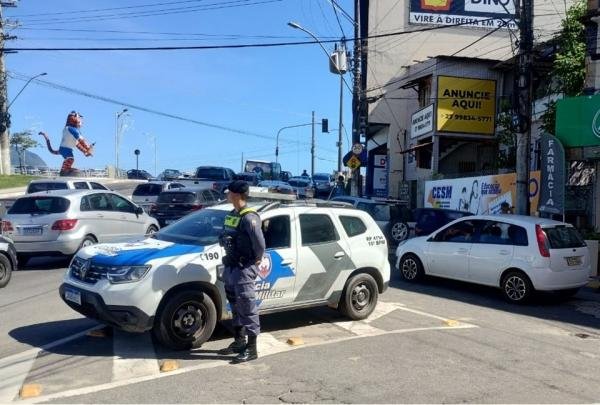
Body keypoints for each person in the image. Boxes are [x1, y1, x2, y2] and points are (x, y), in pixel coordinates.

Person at [218, 180, 265, 363]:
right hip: (231, 267)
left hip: (243, 268)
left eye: (229, 193)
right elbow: (225, 233)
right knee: (235, 305)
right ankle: (239, 341)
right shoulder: (232, 214)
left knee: (247, 307)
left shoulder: (249, 217)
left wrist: (257, 258)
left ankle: (252, 349)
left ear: (237, 195)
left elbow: (259, 244)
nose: (227, 195)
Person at [39, 111, 93, 176]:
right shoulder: (71, 129)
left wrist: (85, 151)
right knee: (70, 158)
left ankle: (67, 169)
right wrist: (88, 148)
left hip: (67, 149)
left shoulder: (70, 129)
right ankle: (64, 170)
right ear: (74, 118)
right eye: (79, 118)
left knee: (70, 158)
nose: (81, 121)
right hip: (65, 149)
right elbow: (81, 140)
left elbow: (77, 144)